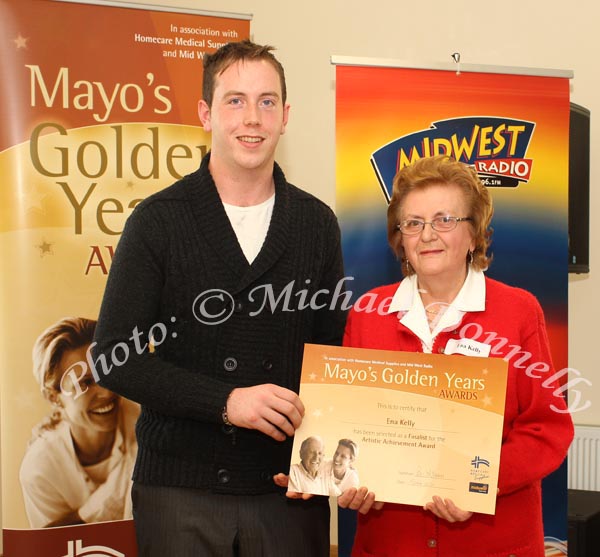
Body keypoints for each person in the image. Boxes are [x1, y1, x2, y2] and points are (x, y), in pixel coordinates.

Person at [91, 40, 346, 556]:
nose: (252, 118)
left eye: (267, 101)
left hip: (287, 492)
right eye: (235, 100)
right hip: (180, 490)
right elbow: (112, 356)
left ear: (286, 115)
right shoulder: (159, 221)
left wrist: (317, 464)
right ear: (206, 113)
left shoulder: (316, 224)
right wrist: (227, 402)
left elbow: (331, 357)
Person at [338, 155, 574, 556]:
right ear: (400, 238)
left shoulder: (519, 312)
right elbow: (345, 423)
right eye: (413, 223)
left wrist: (477, 481)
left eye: (444, 219)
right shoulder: (367, 313)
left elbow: (547, 429)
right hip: (392, 543)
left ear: (474, 233)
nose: (428, 234)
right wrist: (349, 478)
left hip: (494, 542)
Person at [19, 317, 139, 528]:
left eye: (107, 371)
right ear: (53, 397)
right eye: (85, 382)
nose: (107, 391)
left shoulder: (146, 422)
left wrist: (81, 517)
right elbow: (53, 548)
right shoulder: (39, 470)